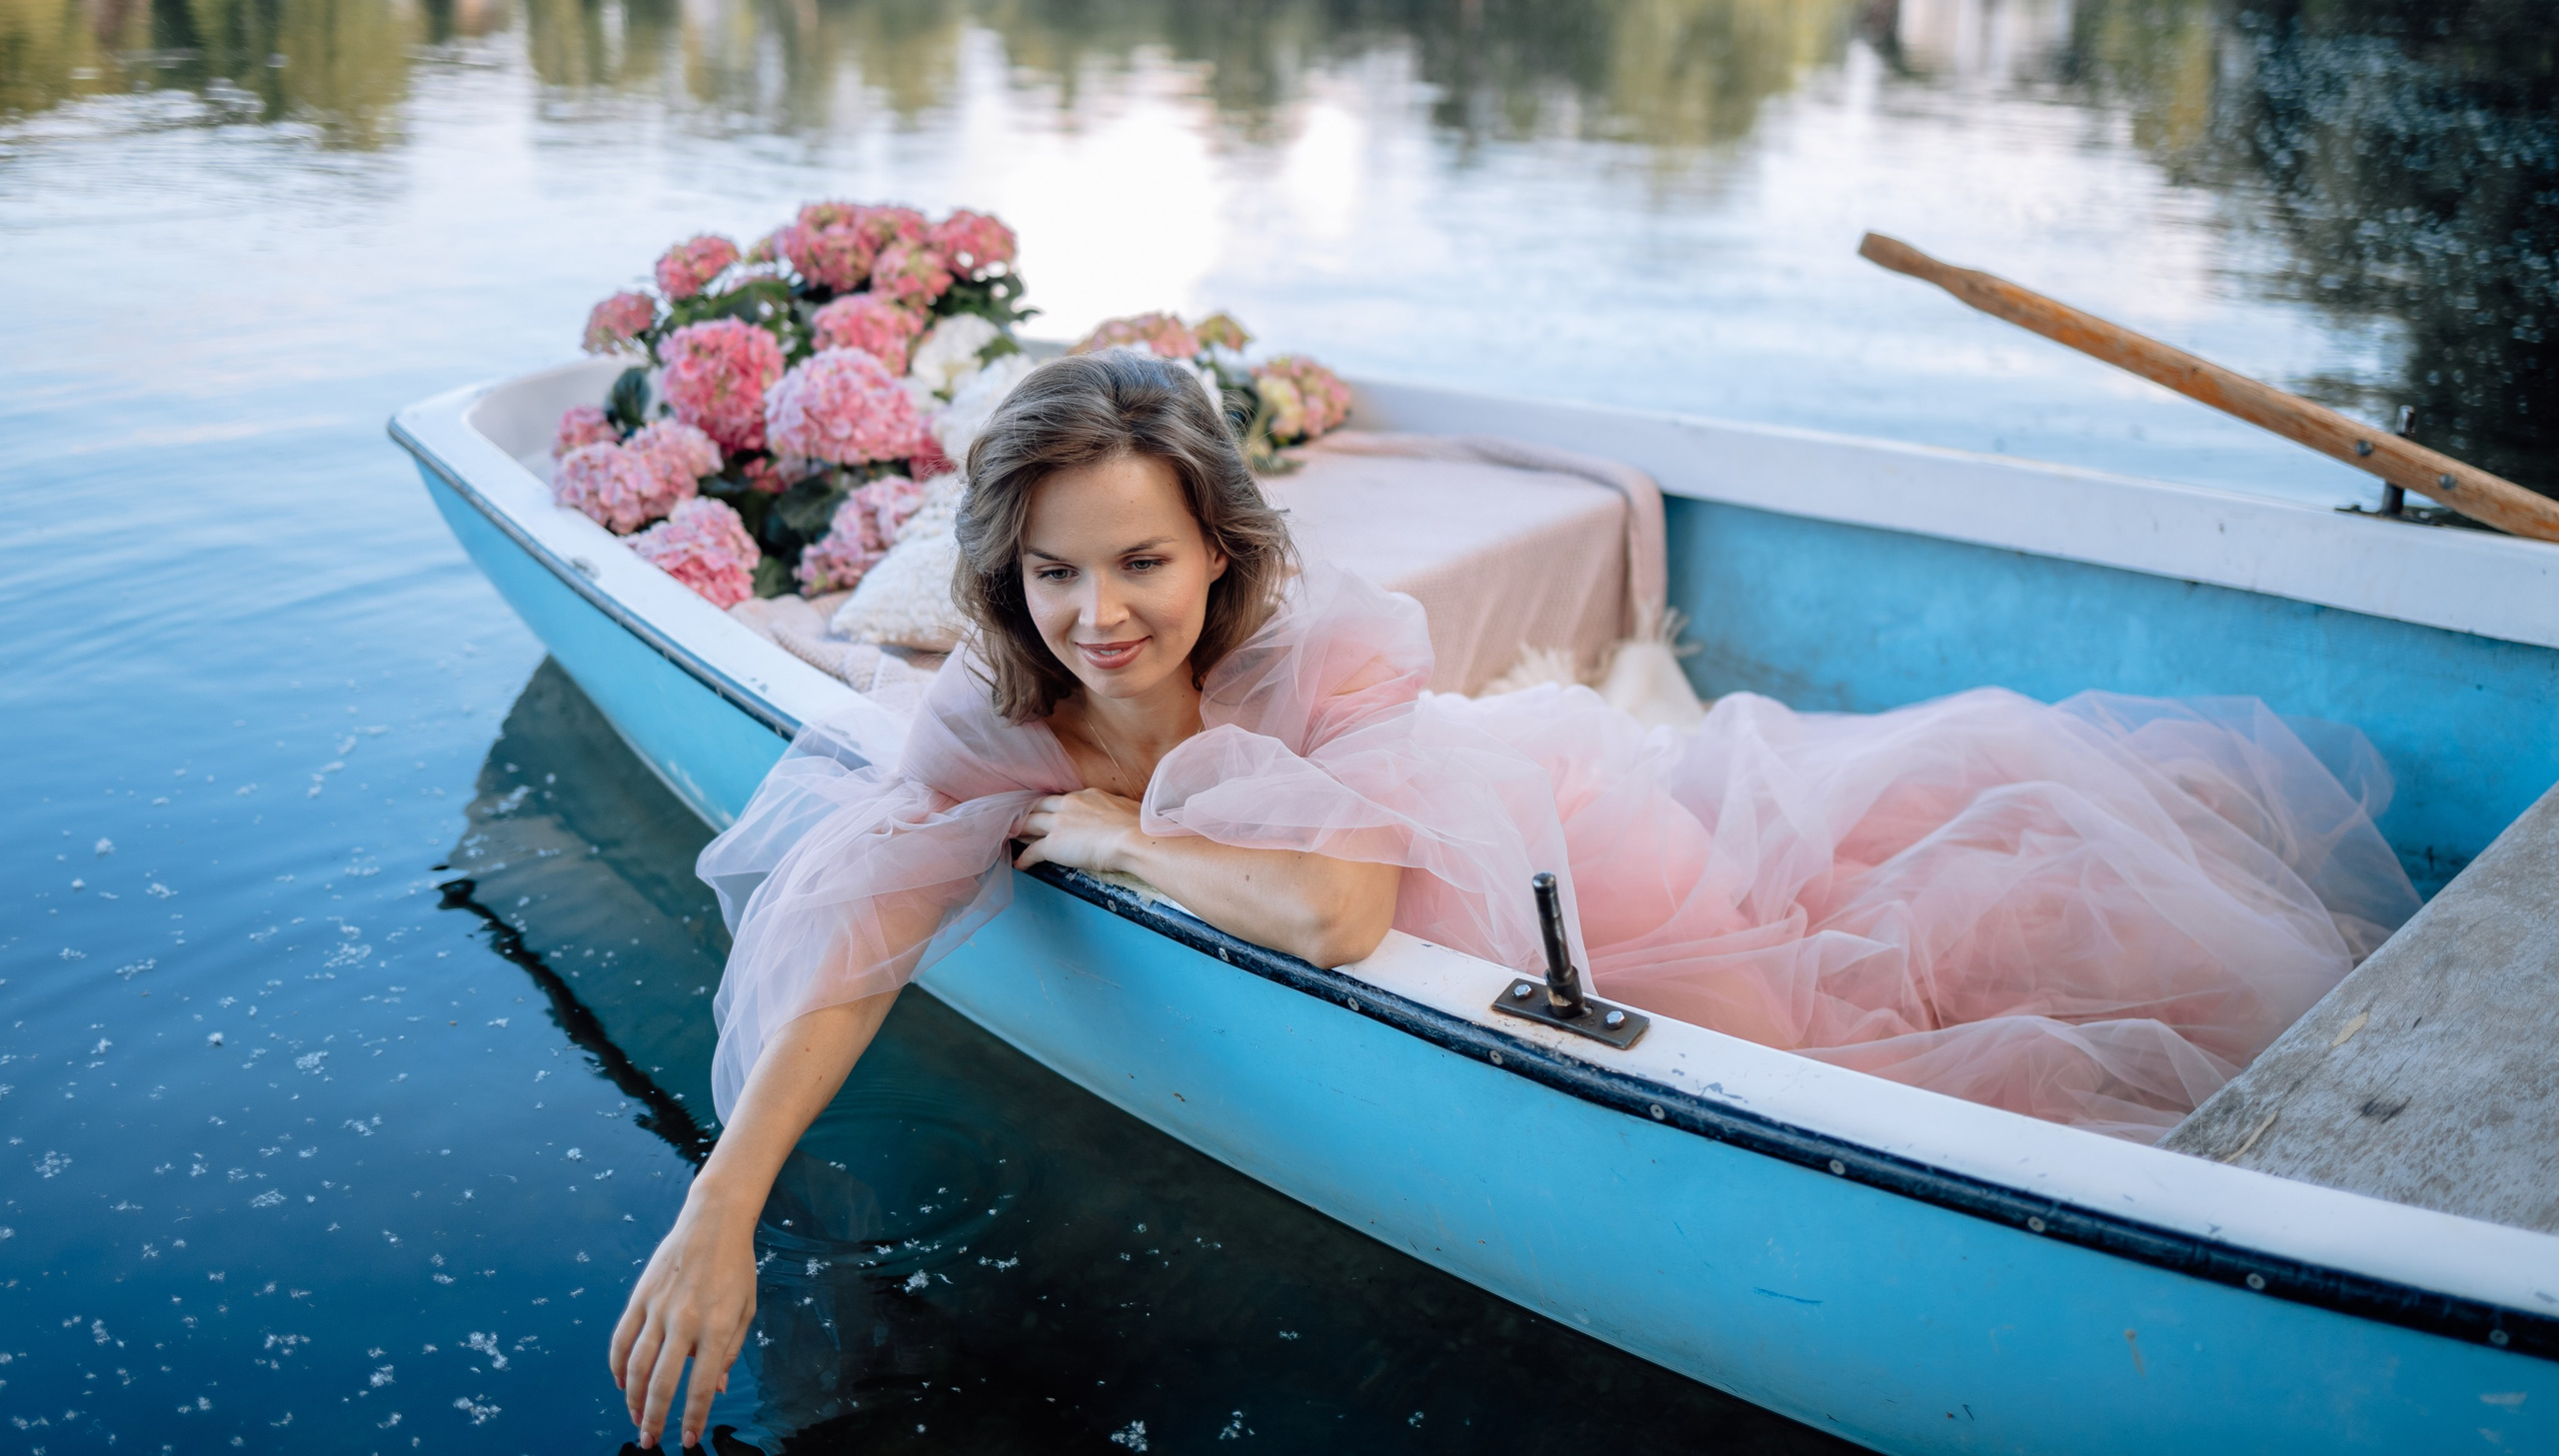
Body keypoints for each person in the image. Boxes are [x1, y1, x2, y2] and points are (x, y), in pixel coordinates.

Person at [612, 350, 2415, 1449]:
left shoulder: (1325, 646)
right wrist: (726, 1200)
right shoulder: (999, 697)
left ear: (1220, 549)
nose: (1103, 612)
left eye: (1145, 560)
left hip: (1580, 866)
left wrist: (1122, 841)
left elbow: (1329, 911)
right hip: (1434, 897)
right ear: (1006, 573)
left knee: (1832, 1031)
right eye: (1059, 570)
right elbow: (861, 920)